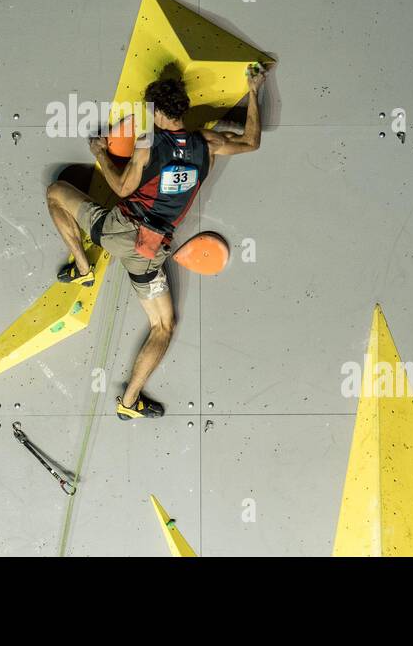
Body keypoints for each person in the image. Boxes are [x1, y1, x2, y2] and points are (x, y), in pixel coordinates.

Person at [45, 65, 268, 420]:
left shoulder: (148, 145)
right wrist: (254, 90)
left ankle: (83, 268)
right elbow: (251, 141)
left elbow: (120, 188)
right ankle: (129, 402)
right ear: (183, 109)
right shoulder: (205, 144)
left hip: (115, 231)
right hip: (148, 254)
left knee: (56, 192)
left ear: (158, 113)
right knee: (164, 326)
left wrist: (99, 152)